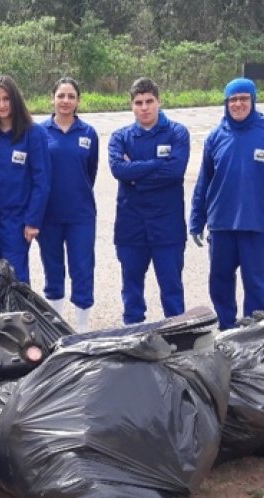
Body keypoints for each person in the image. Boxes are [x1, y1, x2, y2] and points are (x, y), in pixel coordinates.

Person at [189, 77, 264, 330]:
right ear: (226, 103)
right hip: (221, 225)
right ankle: (226, 330)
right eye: (233, 99)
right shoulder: (216, 137)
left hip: (256, 225)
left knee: (258, 285)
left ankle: (257, 334)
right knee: (220, 282)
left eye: (243, 98)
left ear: (253, 100)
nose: (238, 104)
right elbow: (203, 183)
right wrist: (197, 220)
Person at [108, 77, 190, 325]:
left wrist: (136, 174)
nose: (144, 107)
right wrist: (156, 165)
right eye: (138, 102)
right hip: (131, 227)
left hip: (167, 227)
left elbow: (175, 171)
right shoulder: (120, 137)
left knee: (172, 289)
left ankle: (179, 340)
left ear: (159, 102)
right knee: (131, 290)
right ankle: (133, 337)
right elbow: (118, 170)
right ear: (132, 106)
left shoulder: (177, 132)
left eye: (149, 101)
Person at [0, 74, 50, 311]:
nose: (1, 105)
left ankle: (23, 330)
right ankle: (1, 326)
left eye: (6, 99)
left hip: (17, 221)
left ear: (16, 100)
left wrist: (32, 221)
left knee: (16, 279)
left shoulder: (33, 134)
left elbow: (42, 181)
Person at [38, 77, 99, 332]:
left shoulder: (88, 134)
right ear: (52, 98)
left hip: (80, 215)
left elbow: (90, 171)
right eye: (61, 95)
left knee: (82, 268)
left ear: (78, 100)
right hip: (48, 215)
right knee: (53, 269)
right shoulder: (39, 132)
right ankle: (56, 327)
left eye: (71, 96)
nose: (65, 101)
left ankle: (82, 329)